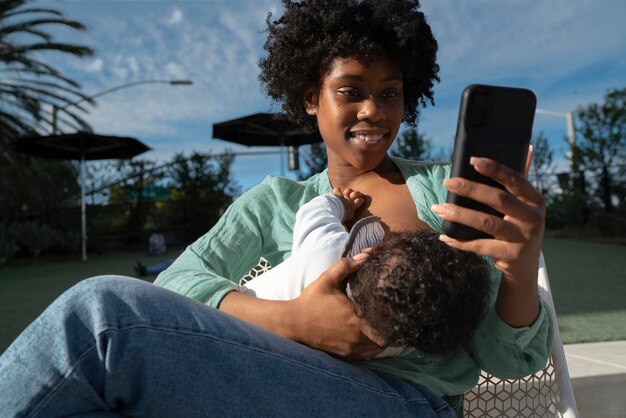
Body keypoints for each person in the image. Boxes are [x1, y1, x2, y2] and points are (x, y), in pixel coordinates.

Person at [0, 1, 551, 417]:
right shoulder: (278, 202)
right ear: (311, 96)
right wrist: (294, 322)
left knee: (103, 320)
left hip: (411, 401)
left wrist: (520, 271)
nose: (372, 110)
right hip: (285, 381)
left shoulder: (440, 190)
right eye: (350, 91)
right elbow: (181, 279)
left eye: (390, 93)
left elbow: (503, 359)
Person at [241, 187, 491, 359]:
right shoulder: (383, 345)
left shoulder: (328, 250)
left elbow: (314, 212)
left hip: (242, 308)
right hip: (263, 352)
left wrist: (341, 203)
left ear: (372, 250)